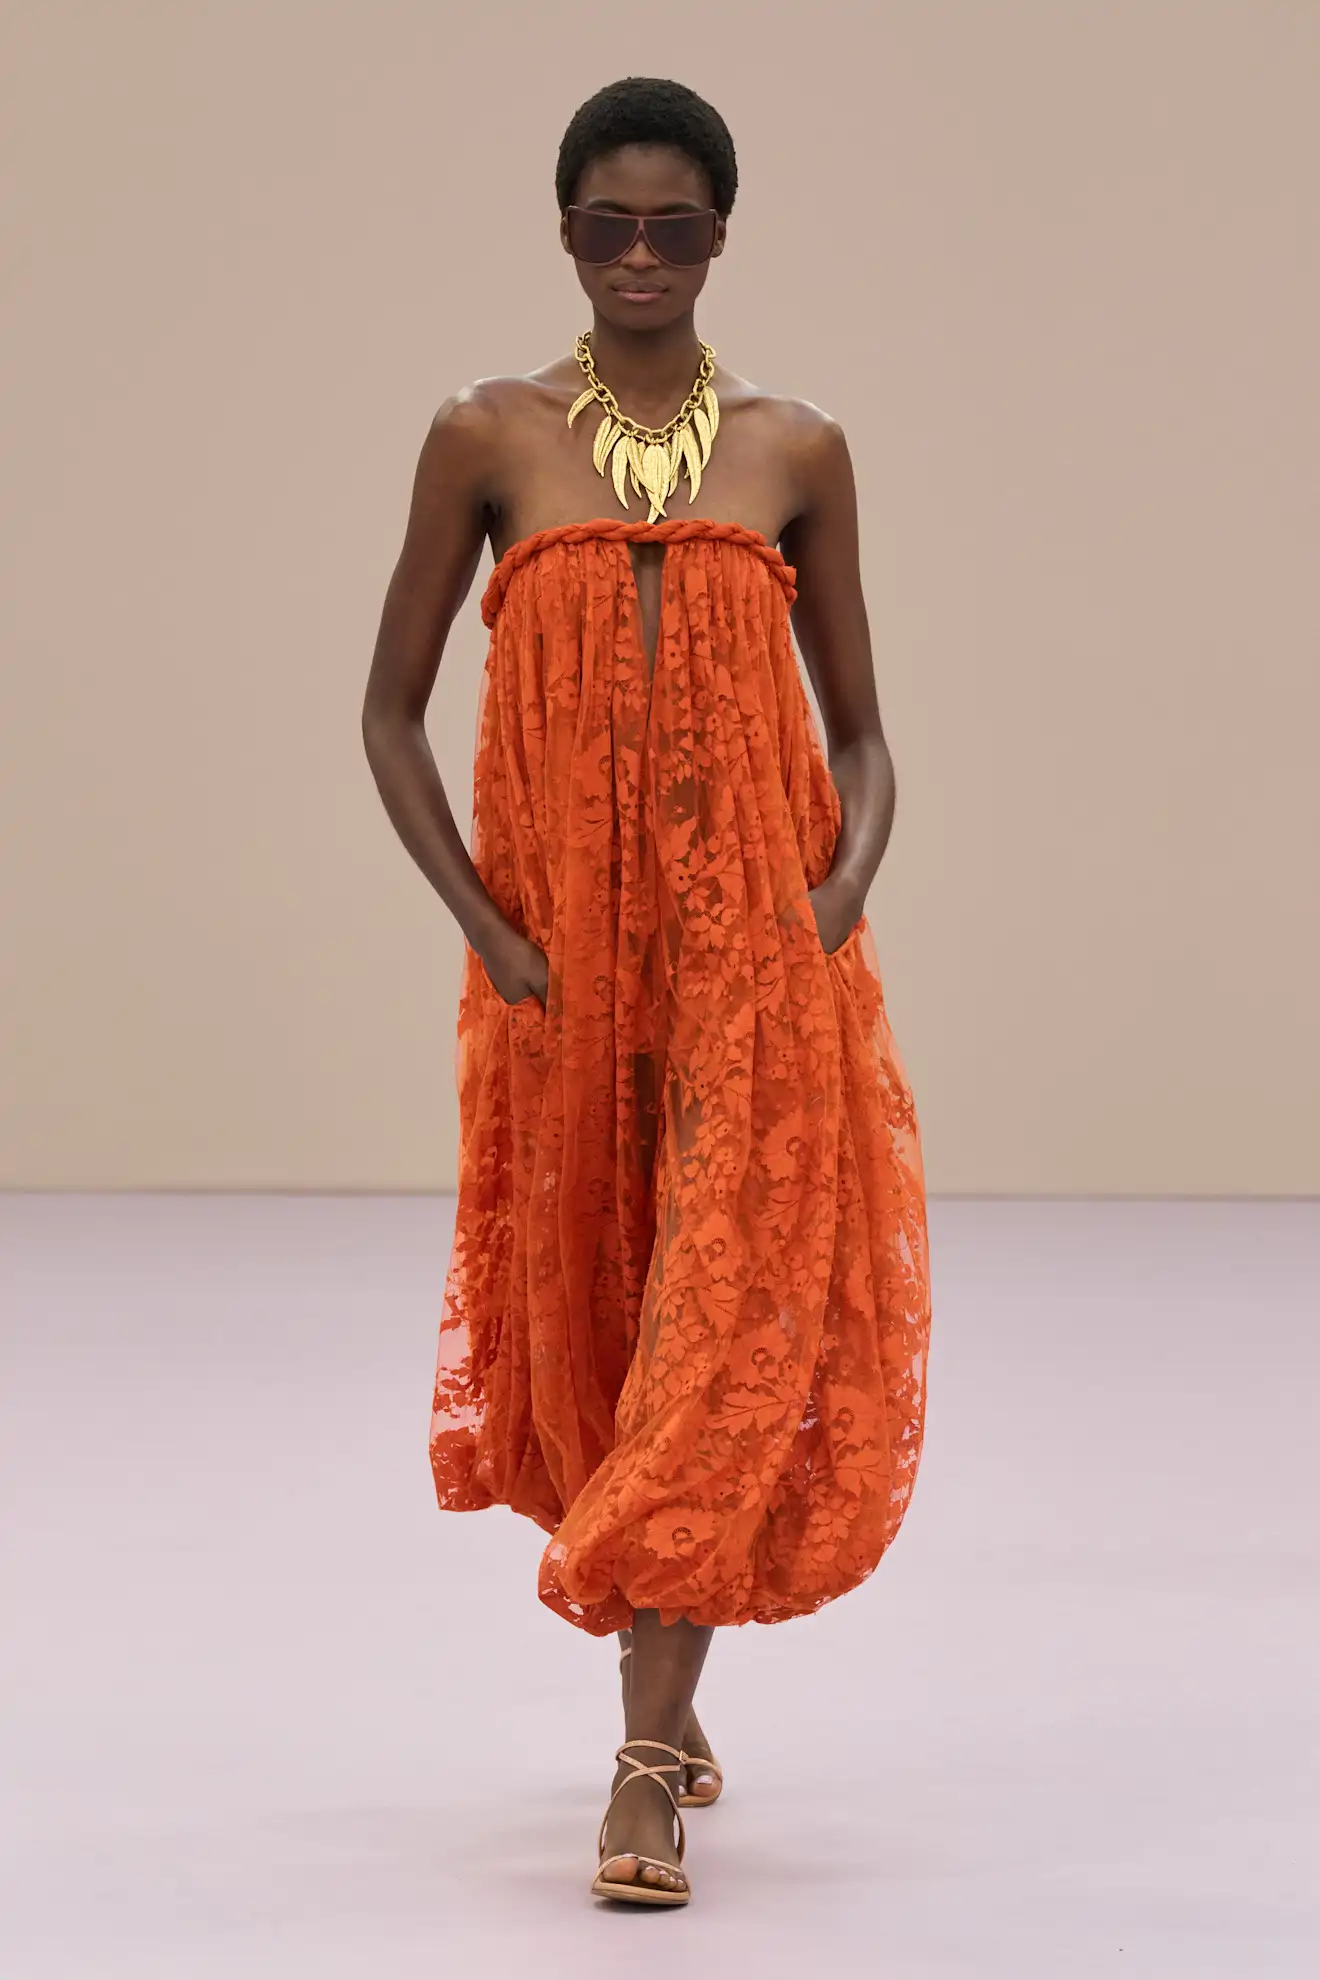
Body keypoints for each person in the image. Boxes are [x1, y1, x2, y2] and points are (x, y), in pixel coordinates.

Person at [362, 75, 932, 1908]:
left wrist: (832, 901)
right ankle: (671, 1703)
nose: (637, 254)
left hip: (754, 969)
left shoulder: (797, 448)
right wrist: (494, 935)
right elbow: (387, 715)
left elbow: (864, 733)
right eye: (607, 222)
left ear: (719, 236)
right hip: (563, 980)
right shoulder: (486, 434)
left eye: (672, 224)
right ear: (563, 232)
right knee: (611, 1322)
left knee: (723, 1321)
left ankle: (639, 1776)